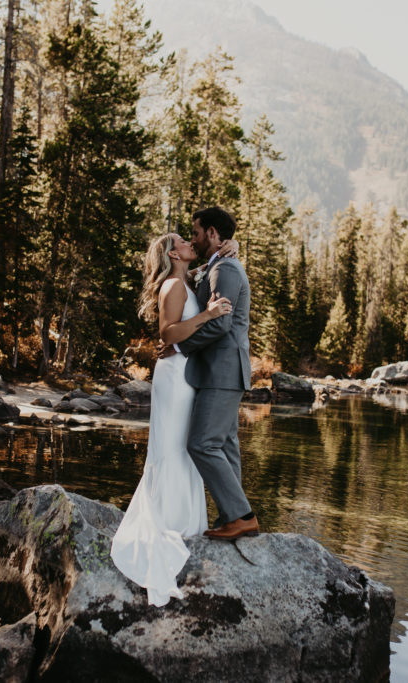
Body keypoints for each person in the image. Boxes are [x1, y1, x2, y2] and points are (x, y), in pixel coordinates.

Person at [110, 232, 236, 607]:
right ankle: (169, 521)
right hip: (175, 374)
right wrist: (209, 314)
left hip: (185, 373)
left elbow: (205, 267)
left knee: (183, 446)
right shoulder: (172, 285)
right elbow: (168, 332)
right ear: (171, 252)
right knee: (172, 448)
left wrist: (231, 249)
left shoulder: (184, 278)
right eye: (182, 241)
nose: (188, 242)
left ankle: (183, 521)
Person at [170, 206, 258, 541]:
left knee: (202, 443)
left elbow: (221, 323)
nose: (193, 238)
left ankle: (241, 516)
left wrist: (182, 346)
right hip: (221, 371)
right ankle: (231, 518)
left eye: (195, 232)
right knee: (224, 444)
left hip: (222, 370)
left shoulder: (227, 268)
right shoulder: (216, 266)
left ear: (211, 233)